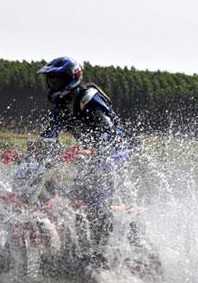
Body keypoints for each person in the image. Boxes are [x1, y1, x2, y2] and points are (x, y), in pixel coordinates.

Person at [36, 56, 132, 266]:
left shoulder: (89, 97)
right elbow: (51, 132)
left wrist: (94, 148)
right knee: (64, 197)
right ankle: (68, 251)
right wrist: (38, 149)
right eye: (50, 81)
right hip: (89, 156)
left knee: (96, 201)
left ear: (72, 78)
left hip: (112, 153)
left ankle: (100, 256)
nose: (52, 85)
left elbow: (110, 131)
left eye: (57, 80)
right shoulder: (61, 105)